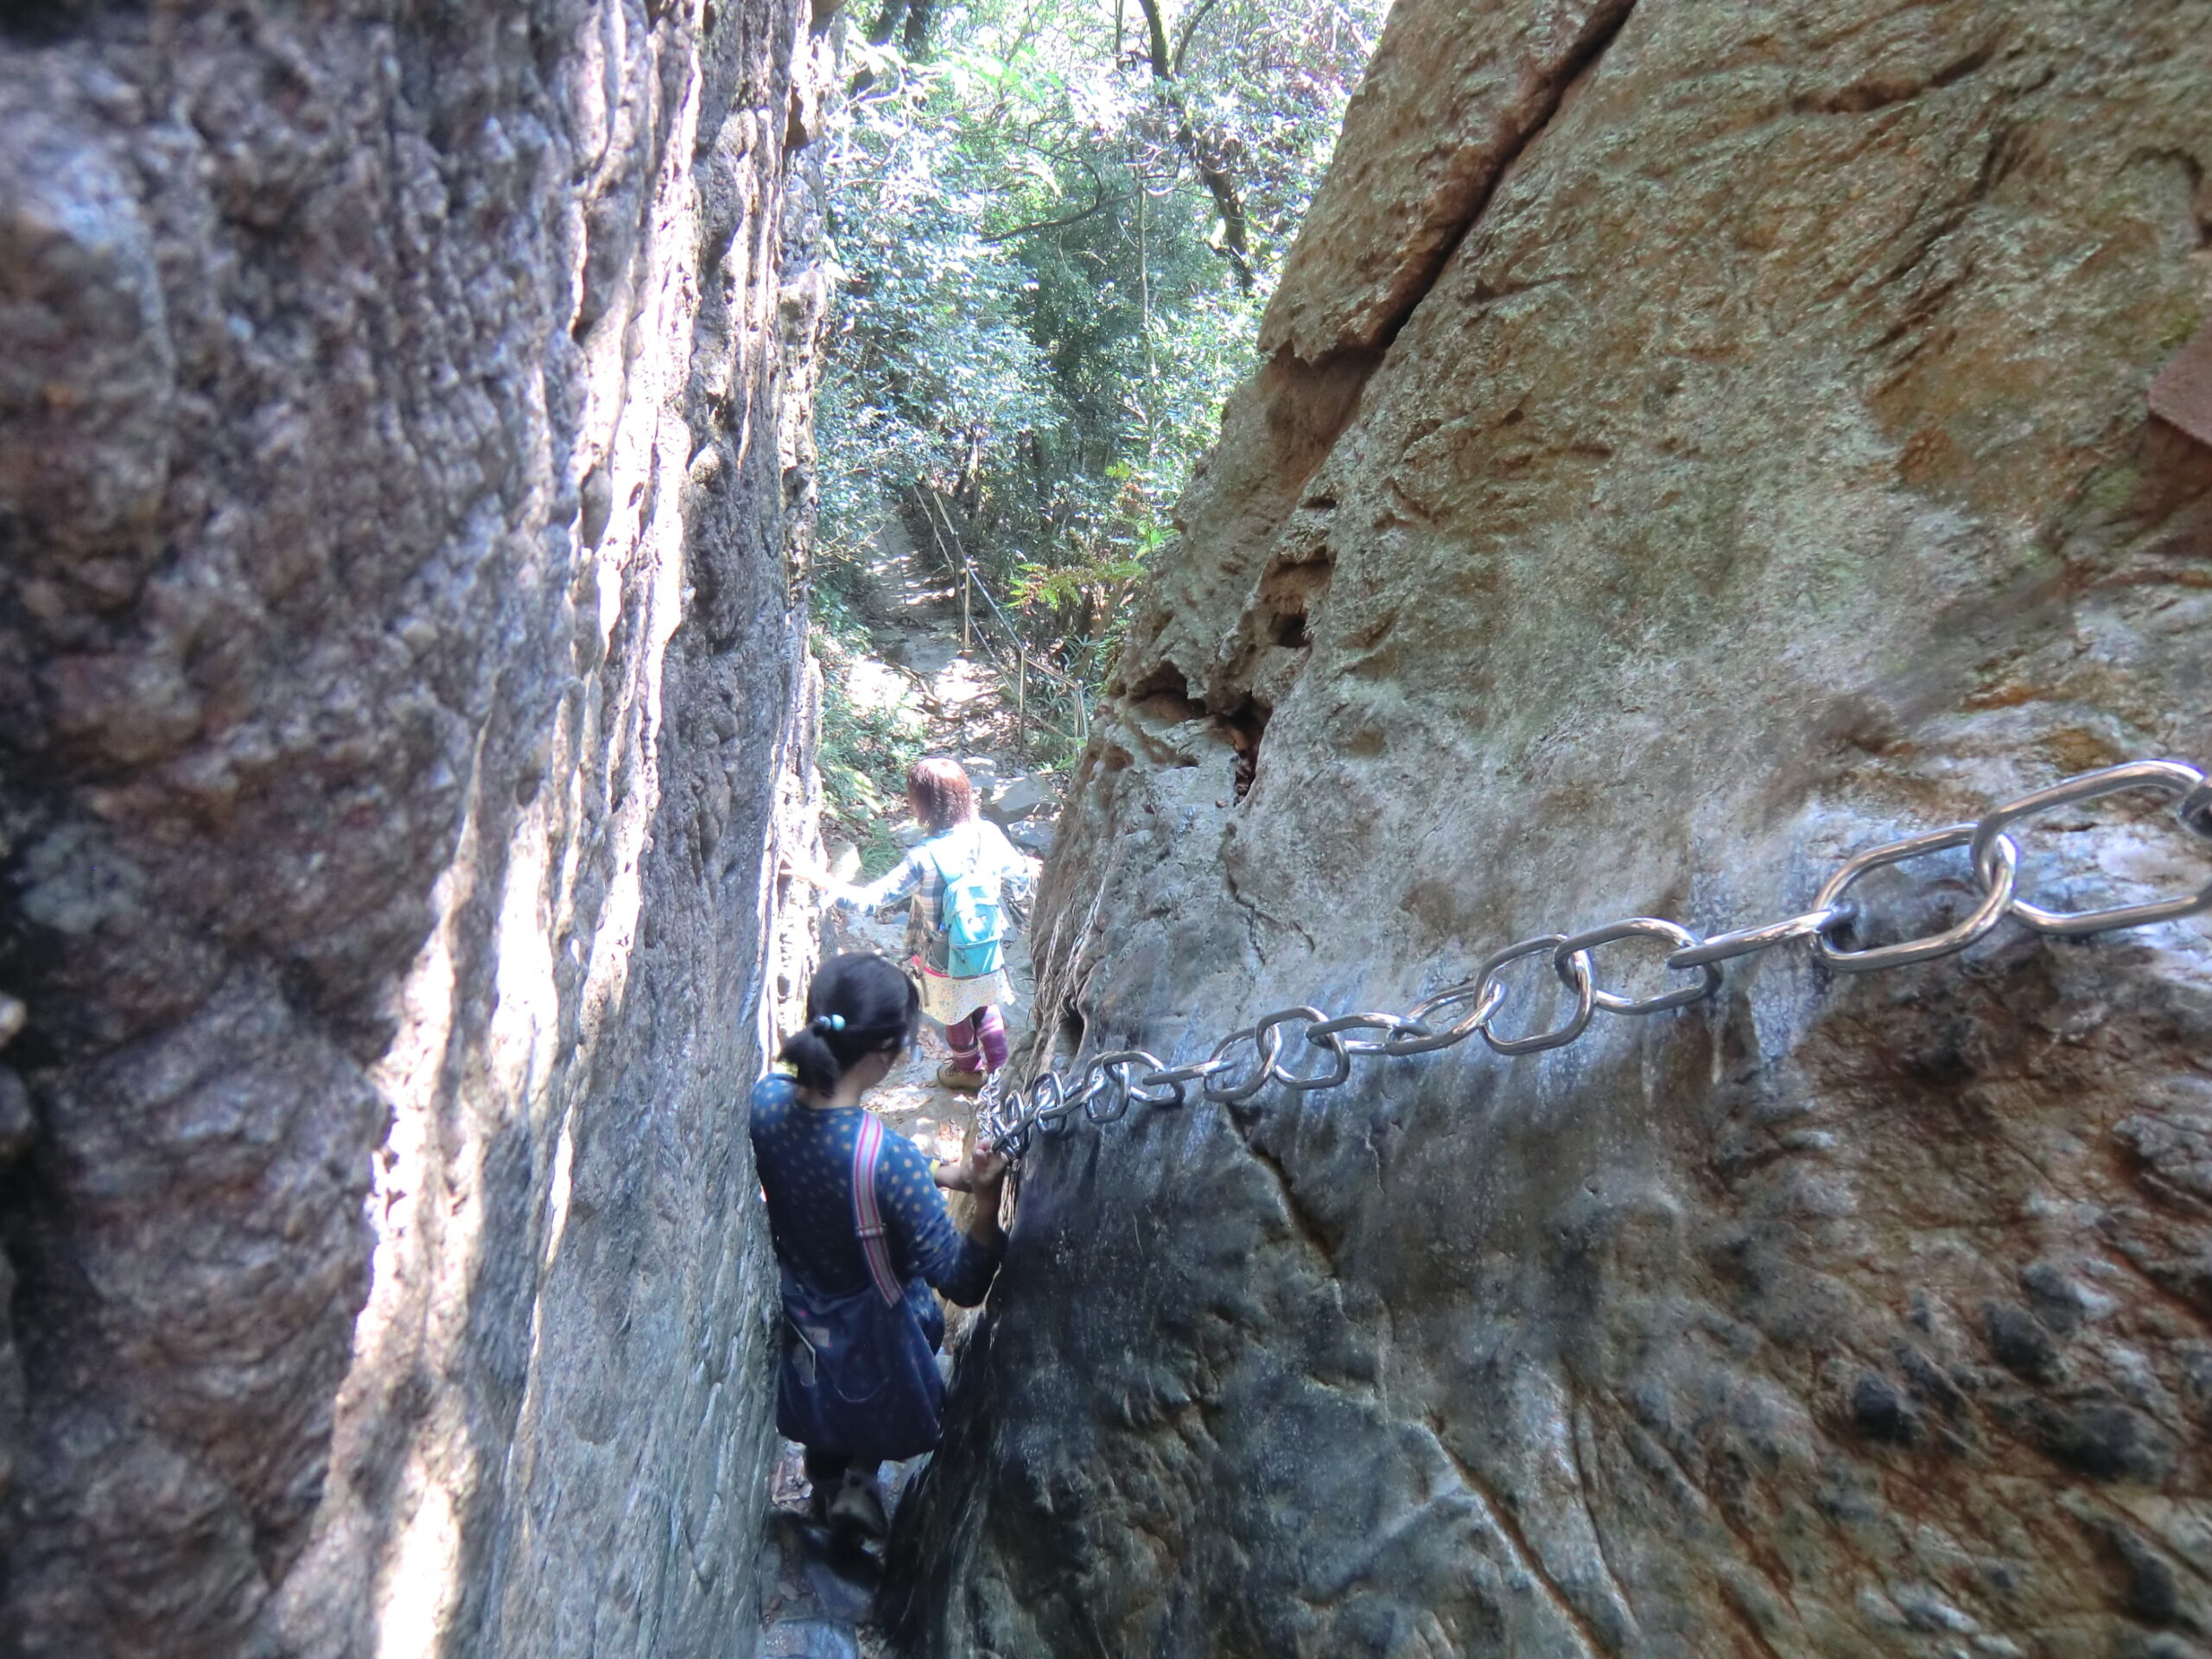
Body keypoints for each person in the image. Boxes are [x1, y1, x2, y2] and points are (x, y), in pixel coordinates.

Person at [751, 951, 1009, 1537]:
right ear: (883, 1057)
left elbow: (830, 1163)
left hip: (804, 1322)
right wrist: (987, 1202)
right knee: (870, 1401)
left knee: (824, 1418)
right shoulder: (885, 1164)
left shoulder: (765, 1103)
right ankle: (864, 1478)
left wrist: (935, 1173)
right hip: (874, 1330)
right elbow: (962, 1282)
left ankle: (825, 1486)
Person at [784, 758, 1039, 1092]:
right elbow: (1021, 877)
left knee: (955, 1013)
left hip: (942, 956)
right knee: (984, 1002)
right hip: (986, 945)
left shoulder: (924, 857)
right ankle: (1001, 1071)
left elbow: (871, 900)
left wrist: (818, 879)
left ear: (924, 803)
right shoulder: (989, 834)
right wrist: (1032, 869)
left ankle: (967, 1069)